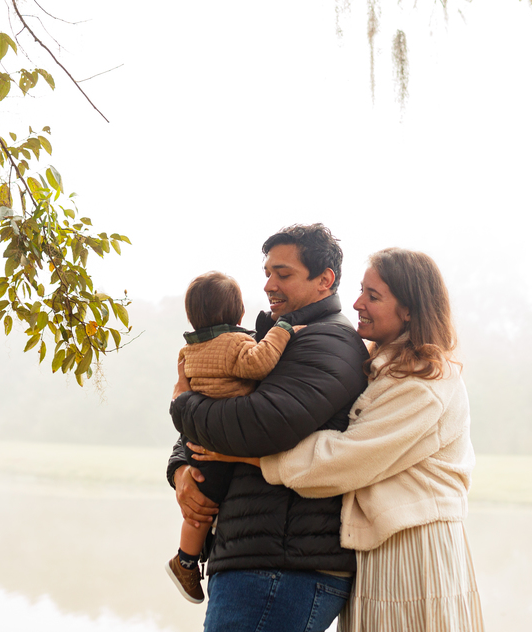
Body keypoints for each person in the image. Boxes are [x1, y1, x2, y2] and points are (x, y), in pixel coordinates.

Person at [190, 248, 485, 631]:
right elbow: (236, 397)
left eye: (373, 296)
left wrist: (246, 457)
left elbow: (344, 459)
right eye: (362, 291)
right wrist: (185, 459)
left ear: (410, 309)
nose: (358, 302)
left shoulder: (423, 382)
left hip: (413, 549)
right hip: (379, 547)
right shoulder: (381, 368)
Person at [167, 224, 370, 632]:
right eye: (266, 273)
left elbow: (261, 425)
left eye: (284, 274)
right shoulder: (271, 338)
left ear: (324, 280)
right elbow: (223, 406)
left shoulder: (329, 342)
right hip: (257, 561)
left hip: (281, 567)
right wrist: (182, 470)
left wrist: (182, 402)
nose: (268, 285)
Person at [164, 270, 304, 603]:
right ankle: (184, 560)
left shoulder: (188, 351)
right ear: (238, 312)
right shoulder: (236, 343)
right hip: (221, 441)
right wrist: (281, 331)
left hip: (198, 436)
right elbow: (258, 365)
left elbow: (182, 397)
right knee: (203, 504)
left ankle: (186, 556)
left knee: (200, 498)